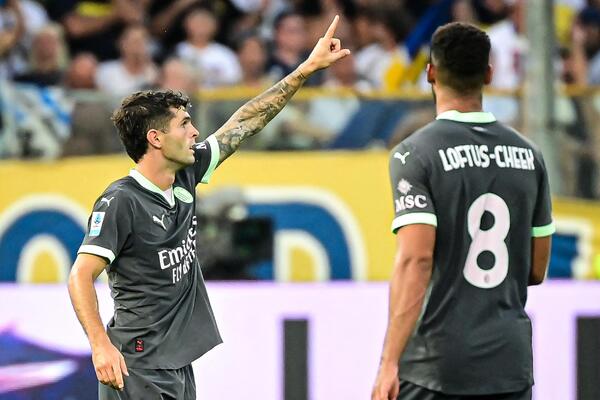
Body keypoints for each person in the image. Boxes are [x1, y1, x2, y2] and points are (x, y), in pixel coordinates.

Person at [67, 15, 349, 399]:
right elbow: (80, 276)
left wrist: (304, 70)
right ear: (156, 138)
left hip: (176, 363)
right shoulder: (121, 200)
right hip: (137, 365)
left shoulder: (185, 173)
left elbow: (245, 122)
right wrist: (100, 345)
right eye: (184, 124)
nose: (195, 132)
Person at [371, 22, 554, 400]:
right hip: (509, 365)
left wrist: (389, 362)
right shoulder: (529, 155)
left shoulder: (414, 154)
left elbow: (417, 260)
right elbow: (536, 269)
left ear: (431, 73)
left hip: (437, 365)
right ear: (488, 74)